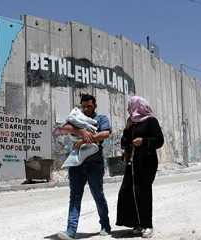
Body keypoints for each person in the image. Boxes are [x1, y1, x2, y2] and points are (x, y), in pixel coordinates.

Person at [58, 94, 112, 240]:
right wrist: (81, 131)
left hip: (94, 163)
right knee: (75, 196)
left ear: (94, 106)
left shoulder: (101, 119)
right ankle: (70, 231)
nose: (86, 109)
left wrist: (85, 140)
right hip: (77, 163)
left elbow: (105, 133)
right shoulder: (76, 117)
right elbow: (63, 129)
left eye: (89, 106)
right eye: (84, 106)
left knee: (97, 194)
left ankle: (105, 225)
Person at [116, 96, 164, 238]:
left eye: (130, 106)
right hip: (132, 163)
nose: (128, 109)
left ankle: (147, 225)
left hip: (146, 162)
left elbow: (159, 140)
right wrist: (126, 129)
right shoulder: (131, 122)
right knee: (128, 192)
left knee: (143, 192)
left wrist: (143, 141)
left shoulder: (151, 121)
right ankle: (136, 224)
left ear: (138, 106)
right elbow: (124, 142)